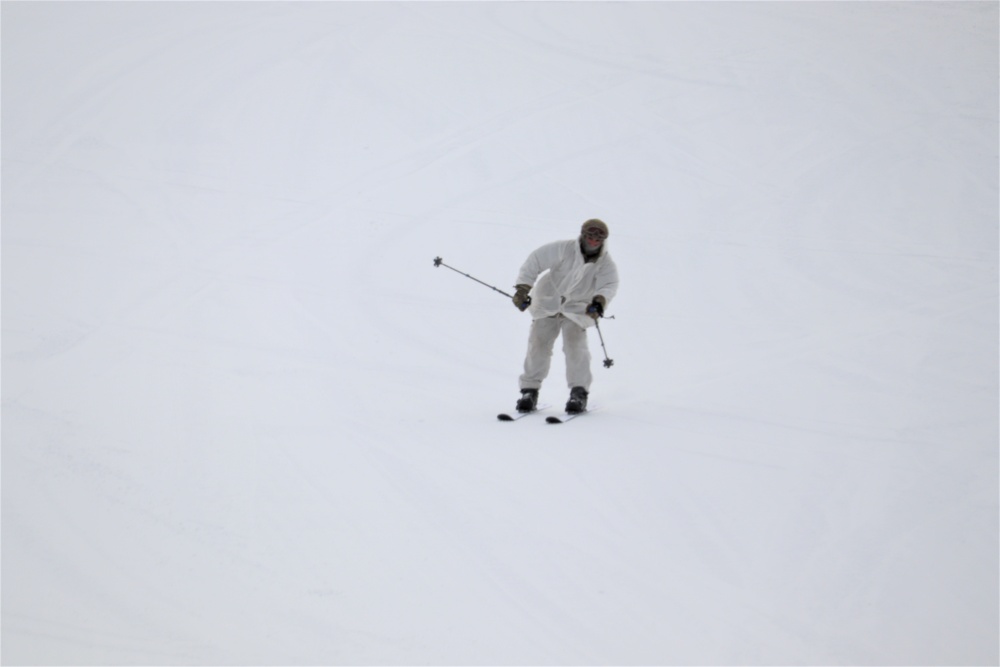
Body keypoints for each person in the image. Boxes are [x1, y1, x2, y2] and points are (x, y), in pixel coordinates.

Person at [511, 219, 619, 414]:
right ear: (583, 234)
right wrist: (523, 288)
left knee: (575, 347)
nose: (594, 240)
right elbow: (535, 261)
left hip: (577, 310)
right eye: (591, 235)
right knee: (538, 345)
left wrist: (599, 300)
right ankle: (529, 391)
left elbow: (609, 284)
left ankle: (579, 393)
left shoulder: (605, 263)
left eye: (599, 237)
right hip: (546, 302)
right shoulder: (563, 249)